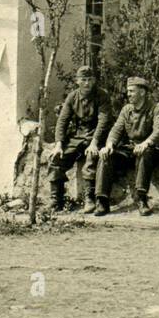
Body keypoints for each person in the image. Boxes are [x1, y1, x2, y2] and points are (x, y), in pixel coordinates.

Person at [96, 77, 159, 217]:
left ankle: (141, 198)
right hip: (131, 149)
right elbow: (116, 129)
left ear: (142, 92)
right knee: (106, 155)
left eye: (131, 91)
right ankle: (102, 200)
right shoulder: (126, 109)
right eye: (128, 91)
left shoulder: (156, 107)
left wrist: (146, 143)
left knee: (145, 152)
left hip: (154, 150)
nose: (128, 94)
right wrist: (109, 145)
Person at [47, 65, 111, 213]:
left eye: (90, 80)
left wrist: (94, 143)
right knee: (56, 158)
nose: (87, 83)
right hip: (78, 136)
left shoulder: (102, 95)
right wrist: (58, 144)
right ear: (77, 81)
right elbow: (62, 121)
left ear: (94, 80)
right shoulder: (72, 97)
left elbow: (104, 121)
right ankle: (56, 200)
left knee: (91, 157)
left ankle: (89, 199)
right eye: (83, 80)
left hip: (96, 136)